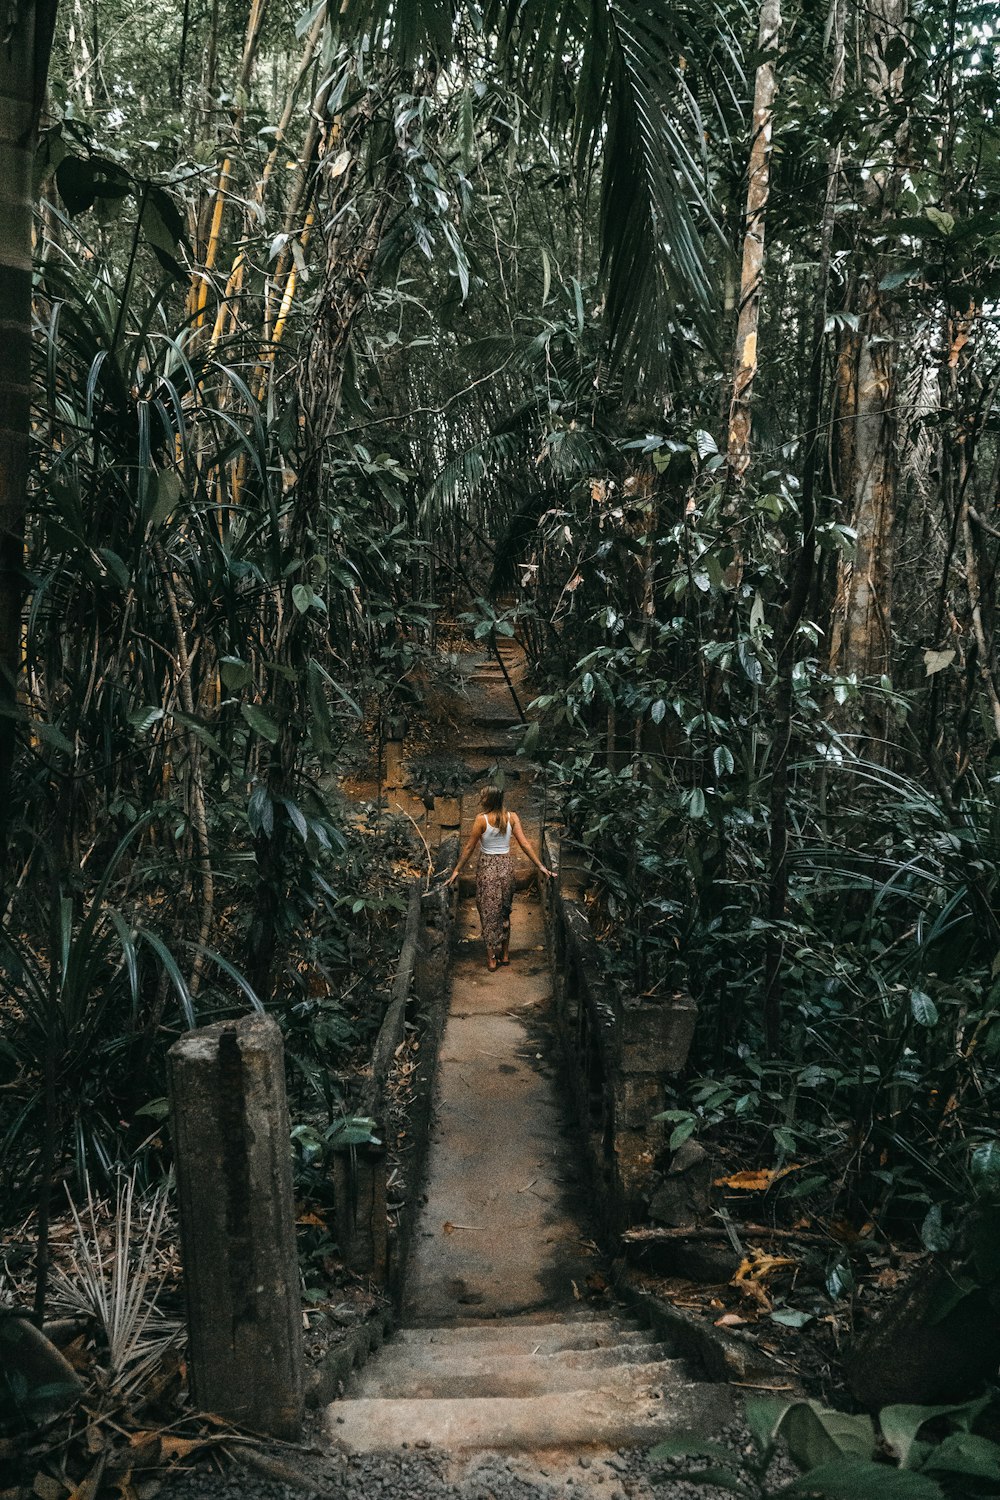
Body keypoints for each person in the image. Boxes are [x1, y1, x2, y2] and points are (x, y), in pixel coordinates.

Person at [444, 785, 553, 971]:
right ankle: (505, 954)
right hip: (506, 868)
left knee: (488, 912)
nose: (481, 798)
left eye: (483, 796)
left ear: (489, 800)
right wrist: (541, 866)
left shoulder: (481, 820)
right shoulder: (512, 817)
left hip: (487, 868)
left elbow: (469, 848)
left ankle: (491, 959)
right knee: (504, 910)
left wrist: (457, 870)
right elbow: (525, 844)